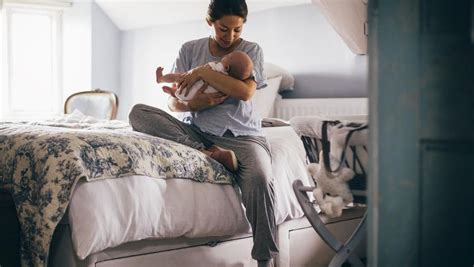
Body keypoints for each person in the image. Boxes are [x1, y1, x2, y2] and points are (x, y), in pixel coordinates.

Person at [128, 0, 278, 266]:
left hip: (240, 136)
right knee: (138, 113)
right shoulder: (189, 49)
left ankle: (264, 260)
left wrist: (201, 72)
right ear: (210, 22)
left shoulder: (250, 51)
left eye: (237, 30)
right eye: (223, 29)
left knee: (260, 178)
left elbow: (245, 93)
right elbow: (173, 103)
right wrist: (192, 104)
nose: (229, 37)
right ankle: (208, 154)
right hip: (195, 131)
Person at [156, 50, 254, 101]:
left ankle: (161, 79)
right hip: (192, 96)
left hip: (191, 85)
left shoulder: (220, 68)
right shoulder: (230, 83)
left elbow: (207, 67)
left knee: (178, 77)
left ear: (227, 67)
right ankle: (174, 93)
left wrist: (201, 70)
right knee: (182, 93)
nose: (226, 55)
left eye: (228, 56)